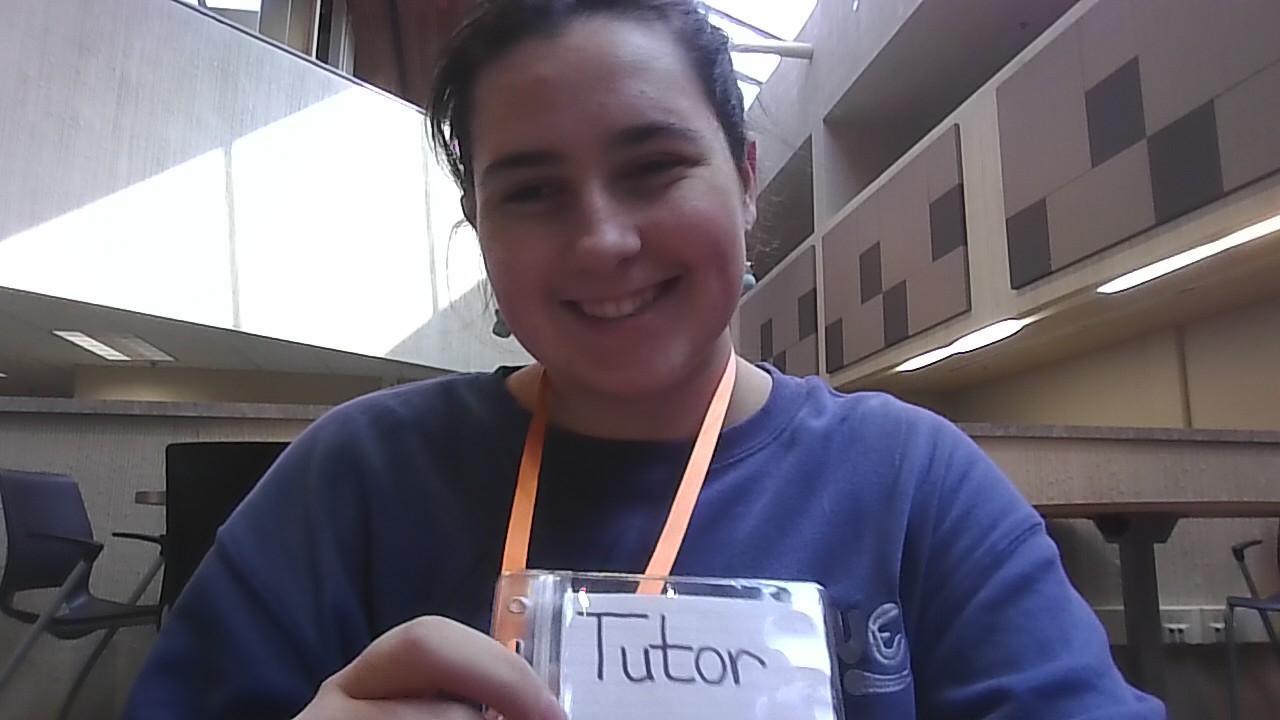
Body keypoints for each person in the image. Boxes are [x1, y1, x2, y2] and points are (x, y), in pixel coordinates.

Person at [123, 1, 1165, 718]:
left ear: (745, 179)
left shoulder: (913, 487)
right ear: (479, 227)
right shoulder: (354, 479)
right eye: (532, 191)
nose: (602, 241)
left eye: (653, 166)